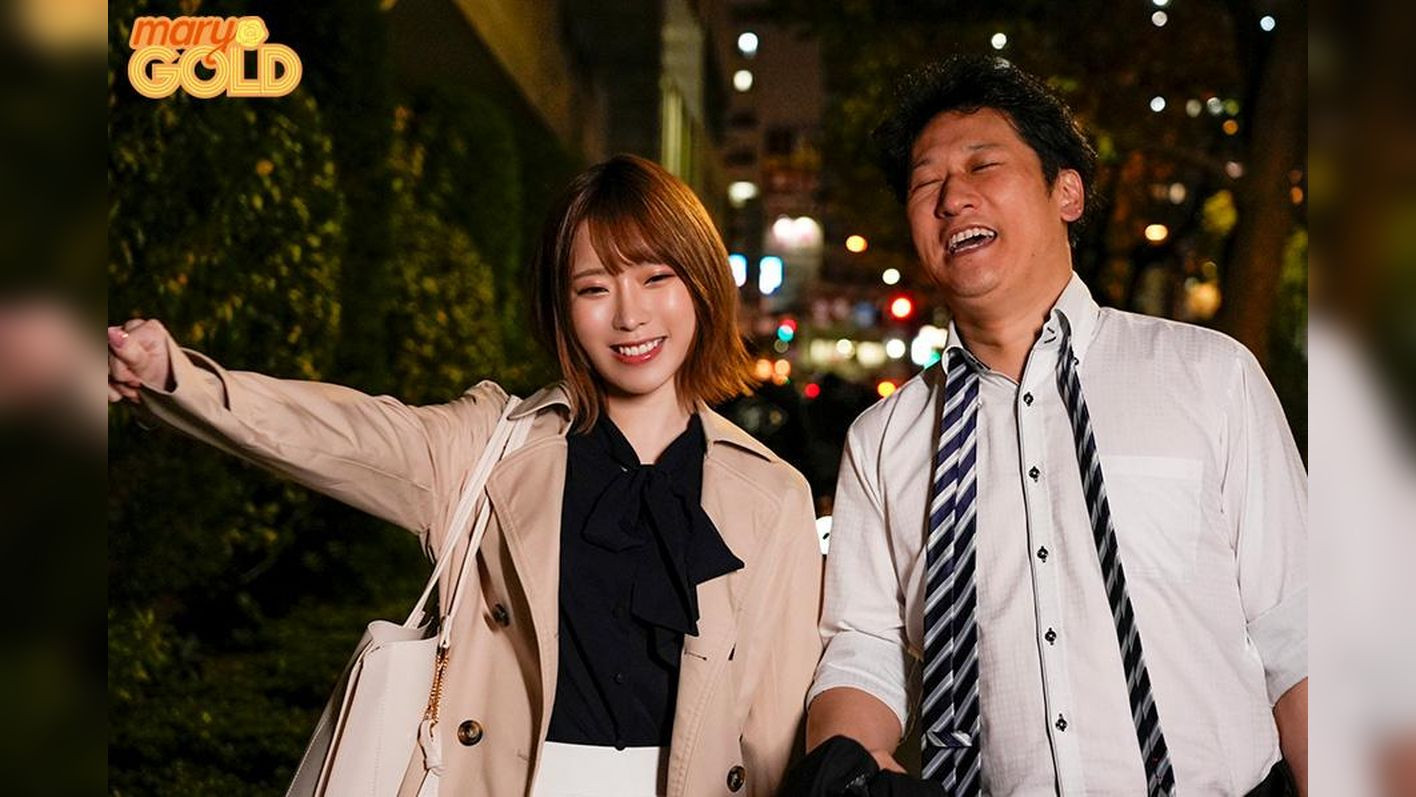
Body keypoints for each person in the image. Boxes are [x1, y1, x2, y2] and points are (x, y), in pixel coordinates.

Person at [107, 154, 823, 797]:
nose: (630, 314)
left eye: (656, 277)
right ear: (561, 307)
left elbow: (774, 732)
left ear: (701, 284)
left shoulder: (772, 495)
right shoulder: (492, 446)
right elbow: (345, 435)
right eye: (594, 287)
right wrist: (180, 380)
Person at [802, 56, 1307, 795]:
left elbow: (1298, 634)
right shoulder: (883, 440)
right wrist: (844, 770)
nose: (952, 198)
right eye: (924, 184)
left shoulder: (1210, 376)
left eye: (983, 166)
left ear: (1066, 190)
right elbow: (864, 646)